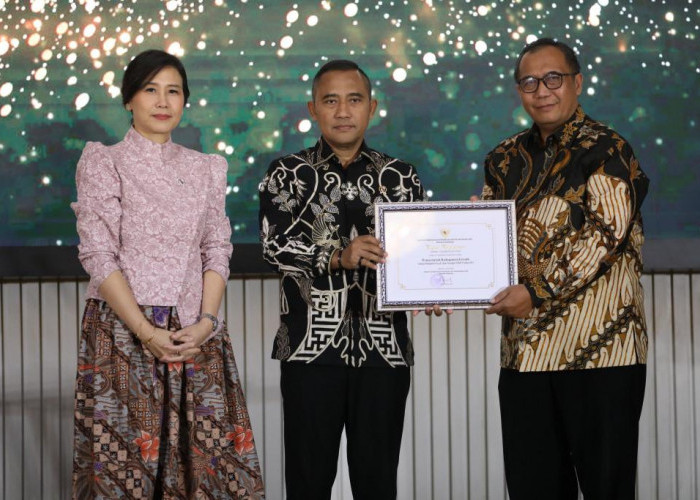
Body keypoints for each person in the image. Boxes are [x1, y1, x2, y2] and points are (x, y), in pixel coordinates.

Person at [71, 49, 264, 499]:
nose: (162, 101)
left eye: (173, 91)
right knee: (125, 473)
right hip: (123, 333)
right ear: (129, 99)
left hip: (195, 335)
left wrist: (207, 322)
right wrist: (145, 331)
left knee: (208, 472)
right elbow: (98, 254)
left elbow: (216, 249)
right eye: (150, 89)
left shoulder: (205, 167)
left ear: (184, 100)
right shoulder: (104, 161)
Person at [258, 59, 437, 499]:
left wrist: (436, 286)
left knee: (377, 483)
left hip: (384, 352)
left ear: (371, 107)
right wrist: (338, 256)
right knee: (308, 482)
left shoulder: (400, 175)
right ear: (313, 109)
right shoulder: (287, 173)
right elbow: (274, 246)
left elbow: (420, 253)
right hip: (309, 351)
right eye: (330, 101)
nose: (342, 111)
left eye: (354, 100)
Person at [482, 38, 650, 499]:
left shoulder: (608, 149)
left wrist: (536, 292)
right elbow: (490, 245)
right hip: (525, 355)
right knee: (532, 488)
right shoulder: (503, 159)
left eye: (553, 78)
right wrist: (453, 275)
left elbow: (604, 237)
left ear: (577, 82)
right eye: (529, 82)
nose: (542, 91)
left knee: (607, 487)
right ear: (519, 90)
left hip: (601, 350)